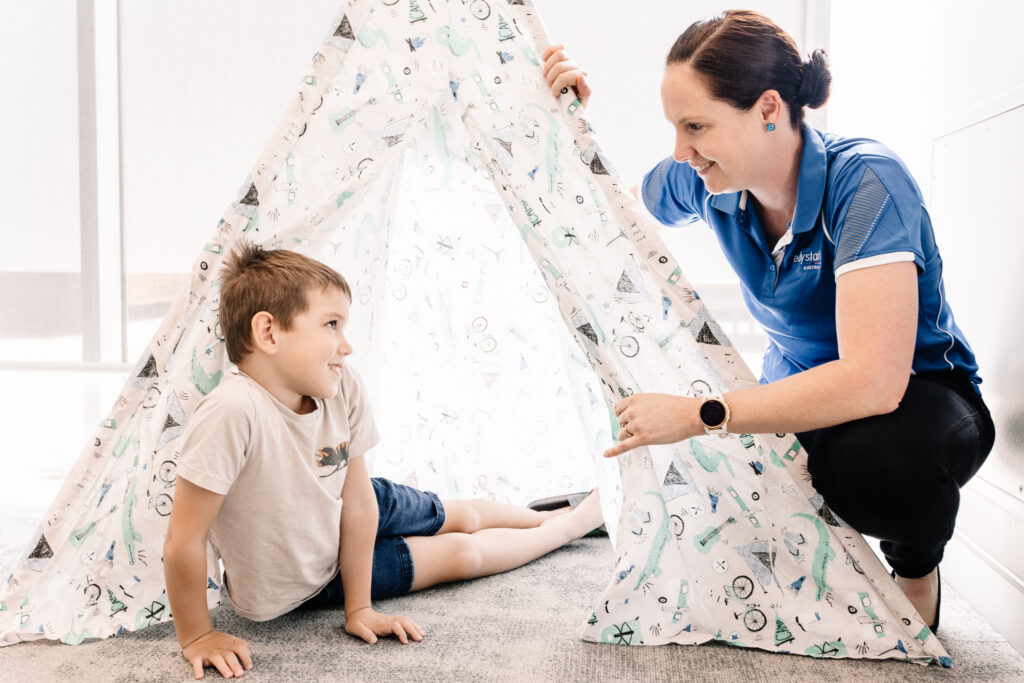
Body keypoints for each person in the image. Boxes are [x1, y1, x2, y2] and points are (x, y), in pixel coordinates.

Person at [541, 10, 993, 633]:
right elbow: (609, 202)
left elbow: (874, 382)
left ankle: (916, 569)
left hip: (917, 401)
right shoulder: (707, 181)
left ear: (769, 109)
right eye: (675, 128)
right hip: (803, 399)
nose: (681, 151)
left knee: (876, 467)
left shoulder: (866, 182)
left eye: (696, 126)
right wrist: (571, 120)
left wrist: (702, 415)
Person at [163, 243, 603, 679]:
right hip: (318, 573)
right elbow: (185, 539)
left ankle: (550, 515)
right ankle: (570, 526)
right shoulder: (231, 413)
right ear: (268, 332)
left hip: (360, 502)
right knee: (464, 554)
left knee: (464, 517)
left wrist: (361, 607)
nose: (346, 346)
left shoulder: (342, 385)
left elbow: (357, 501)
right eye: (331, 325)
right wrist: (197, 636)